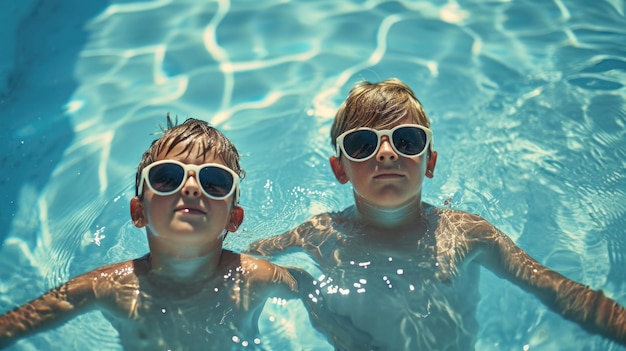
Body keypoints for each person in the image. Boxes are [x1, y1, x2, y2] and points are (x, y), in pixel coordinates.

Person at [247, 78, 626, 350]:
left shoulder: (466, 233)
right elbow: (238, 264)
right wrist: (314, 304)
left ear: (429, 162)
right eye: (362, 143)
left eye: (406, 140)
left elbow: (556, 290)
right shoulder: (318, 234)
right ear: (339, 168)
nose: (386, 153)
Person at [0, 116, 337, 351]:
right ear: (138, 212)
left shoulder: (256, 276)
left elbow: (308, 287)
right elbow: (16, 324)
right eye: (167, 177)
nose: (191, 188)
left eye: (214, 182)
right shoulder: (107, 287)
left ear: (233, 219)